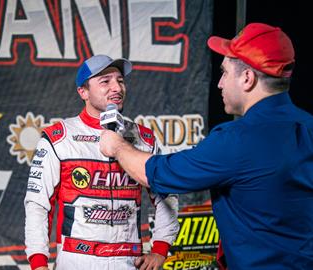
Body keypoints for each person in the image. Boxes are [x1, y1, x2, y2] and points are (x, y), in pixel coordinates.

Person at [99, 22, 313, 269]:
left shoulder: (236, 140)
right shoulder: (308, 126)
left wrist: (117, 146)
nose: (220, 83)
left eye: (224, 73)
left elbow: (159, 174)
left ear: (247, 78)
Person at [24, 55, 180, 270]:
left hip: (129, 260)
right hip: (77, 260)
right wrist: (38, 262)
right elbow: (38, 205)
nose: (117, 87)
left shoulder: (143, 138)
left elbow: (167, 196)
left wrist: (160, 249)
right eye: (105, 81)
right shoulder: (59, 138)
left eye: (121, 80)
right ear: (83, 92)